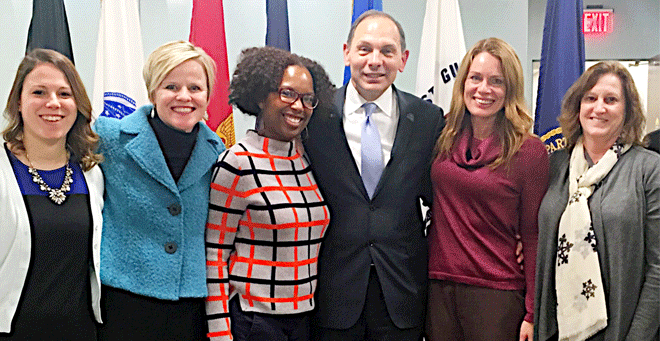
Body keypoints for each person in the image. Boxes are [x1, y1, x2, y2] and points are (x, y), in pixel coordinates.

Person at [304, 10, 445, 340]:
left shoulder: (428, 119)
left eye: (387, 51)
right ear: (347, 53)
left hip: (401, 294)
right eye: (364, 49)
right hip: (332, 293)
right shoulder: (314, 116)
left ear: (403, 59)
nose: (374, 61)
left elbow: (442, 197)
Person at [96, 41, 225, 340]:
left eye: (195, 87)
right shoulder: (110, 138)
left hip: (189, 307)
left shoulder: (220, 152)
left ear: (207, 95)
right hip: (123, 301)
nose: (184, 97)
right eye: (171, 86)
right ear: (153, 91)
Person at [205, 46, 334, 341]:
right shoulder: (237, 162)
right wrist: (220, 333)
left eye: (308, 99)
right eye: (287, 94)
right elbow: (214, 255)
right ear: (261, 96)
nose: (298, 106)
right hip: (253, 322)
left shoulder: (305, 161)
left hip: (302, 320)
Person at [426, 37, 548, 341]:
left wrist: (532, 313)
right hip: (440, 287)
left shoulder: (528, 151)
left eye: (497, 81)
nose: (483, 89)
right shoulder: (442, 136)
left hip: (498, 294)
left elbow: (533, 235)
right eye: (476, 78)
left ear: (510, 90)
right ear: (463, 81)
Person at [535, 61, 660, 341]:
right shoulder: (556, 165)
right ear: (578, 106)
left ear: (627, 111)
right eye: (590, 98)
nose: (599, 108)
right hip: (557, 326)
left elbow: (658, 268)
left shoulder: (650, 170)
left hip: (620, 329)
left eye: (611, 100)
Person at [0, 49, 103, 340]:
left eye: (64, 93)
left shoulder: (91, 174)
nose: (53, 103)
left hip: (80, 332)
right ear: (18, 102)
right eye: (39, 92)